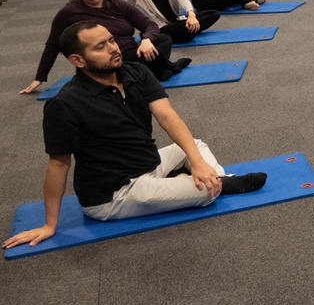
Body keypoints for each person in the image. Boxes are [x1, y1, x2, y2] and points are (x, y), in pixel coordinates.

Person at [3, 21, 267, 250]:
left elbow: (167, 116)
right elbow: (58, 164)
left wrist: (196, 161)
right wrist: (50, 225)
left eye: (111, 40)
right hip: (115, 192)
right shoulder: (65, 105)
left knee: (194, 146)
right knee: (205, 193)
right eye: (100, 47)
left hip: (148, 163)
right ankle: (219, 184)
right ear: (77, 60)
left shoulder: (136, 72)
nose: (113, 48)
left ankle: (200, 179)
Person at [20, 0, 190, 94]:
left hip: (132, 52)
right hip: (103, 59)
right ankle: (167, 67)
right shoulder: (69, 12)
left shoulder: (117, 4)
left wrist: (146, 40)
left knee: (164, 38)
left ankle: (156, 69)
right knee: (146, 61)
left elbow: (150, 25)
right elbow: (52, 45)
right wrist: (39, 78)